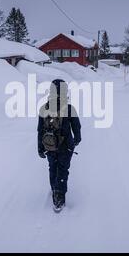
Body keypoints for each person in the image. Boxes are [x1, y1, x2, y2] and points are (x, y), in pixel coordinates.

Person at [37, 79, 81, 212]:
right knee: (62, 170)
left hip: (49, 145)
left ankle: (54, 188)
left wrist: (40, 147)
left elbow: (40, 130)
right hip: (66, 147)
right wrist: (76, 140)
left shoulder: (44, 107)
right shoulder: (69, 108)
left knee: (52, 167)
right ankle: (59, 197)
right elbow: (76, 127)